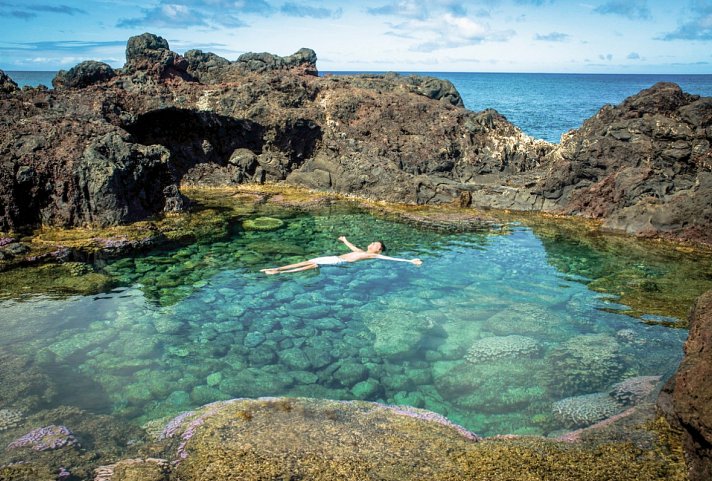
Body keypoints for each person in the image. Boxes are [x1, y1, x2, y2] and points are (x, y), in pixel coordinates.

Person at [260, 236, 422, 274]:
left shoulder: (373, 256)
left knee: (308, 262)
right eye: (373, 243)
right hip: (338, 261)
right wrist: (344, 240)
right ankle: (279, 272)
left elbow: (390, 258)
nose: (373, 244)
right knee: (312, 265)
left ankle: (277, 269)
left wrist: (409, 261)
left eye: (376, 245)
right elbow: (353, 247)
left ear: (378, 250)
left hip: (336, 260)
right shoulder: (363, 252)